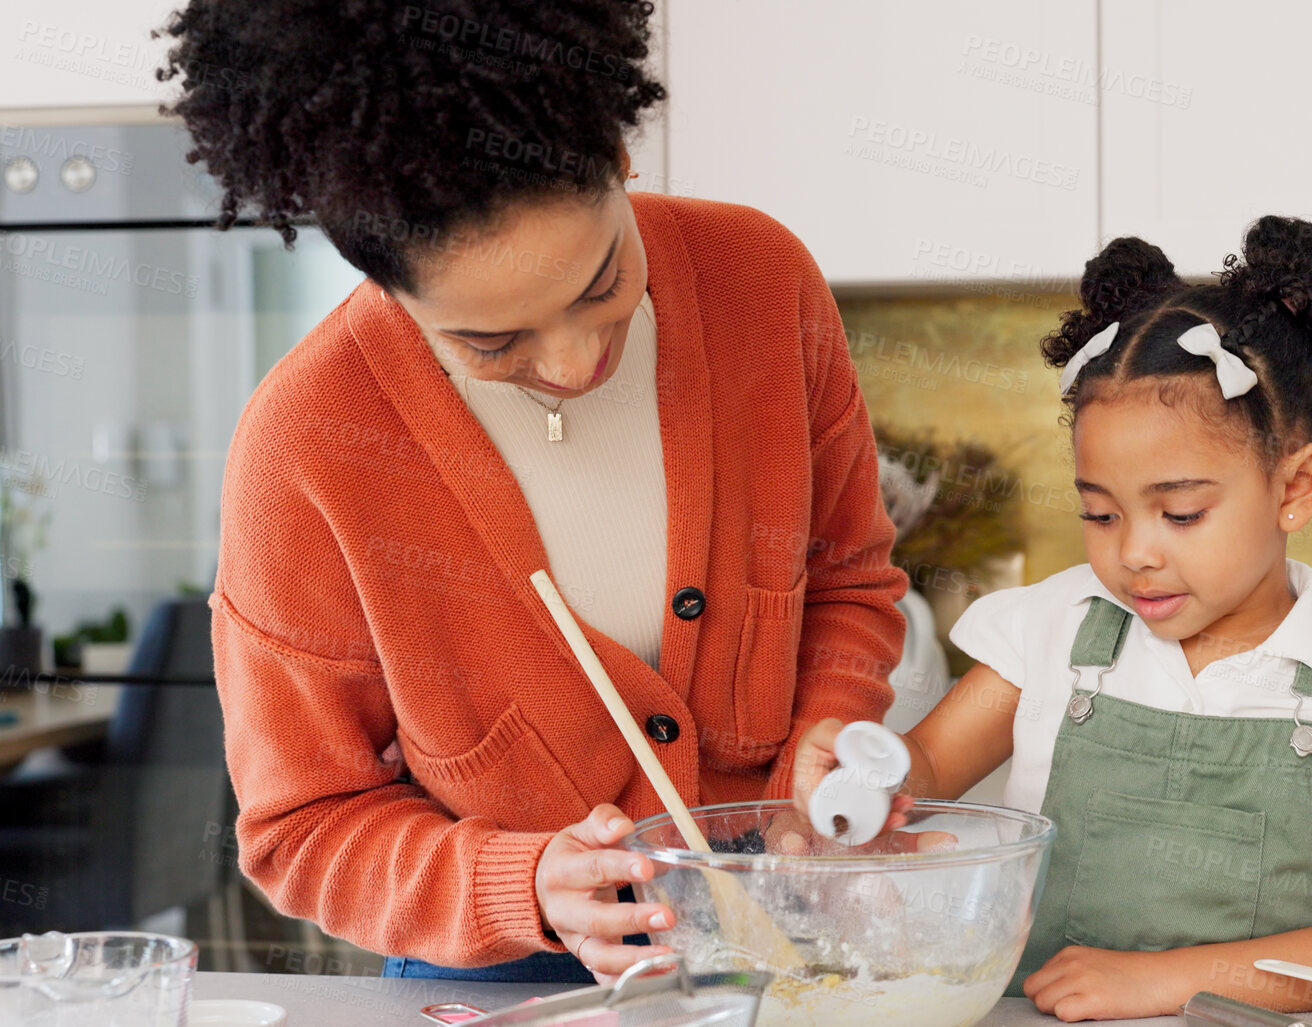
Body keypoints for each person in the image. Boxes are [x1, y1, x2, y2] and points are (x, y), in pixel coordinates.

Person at [160, 0, 905, 983]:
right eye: (491, 343)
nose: (576, 361)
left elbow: (847, 580)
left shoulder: (762, 286)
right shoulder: (304, 449)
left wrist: (825, 732)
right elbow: (302, 827)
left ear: (619, 154)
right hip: (502, 971)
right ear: (381, 280)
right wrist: (522, 885)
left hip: (784, 929)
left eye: (601, 283)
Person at [794, 216, 1312, 1020]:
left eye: (1179, 513)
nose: (1134, 554)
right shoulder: (1055, 627)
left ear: (1295, 488)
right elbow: (929, 765)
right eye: (1100, 514)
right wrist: (864, 773)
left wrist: (1160, 978)